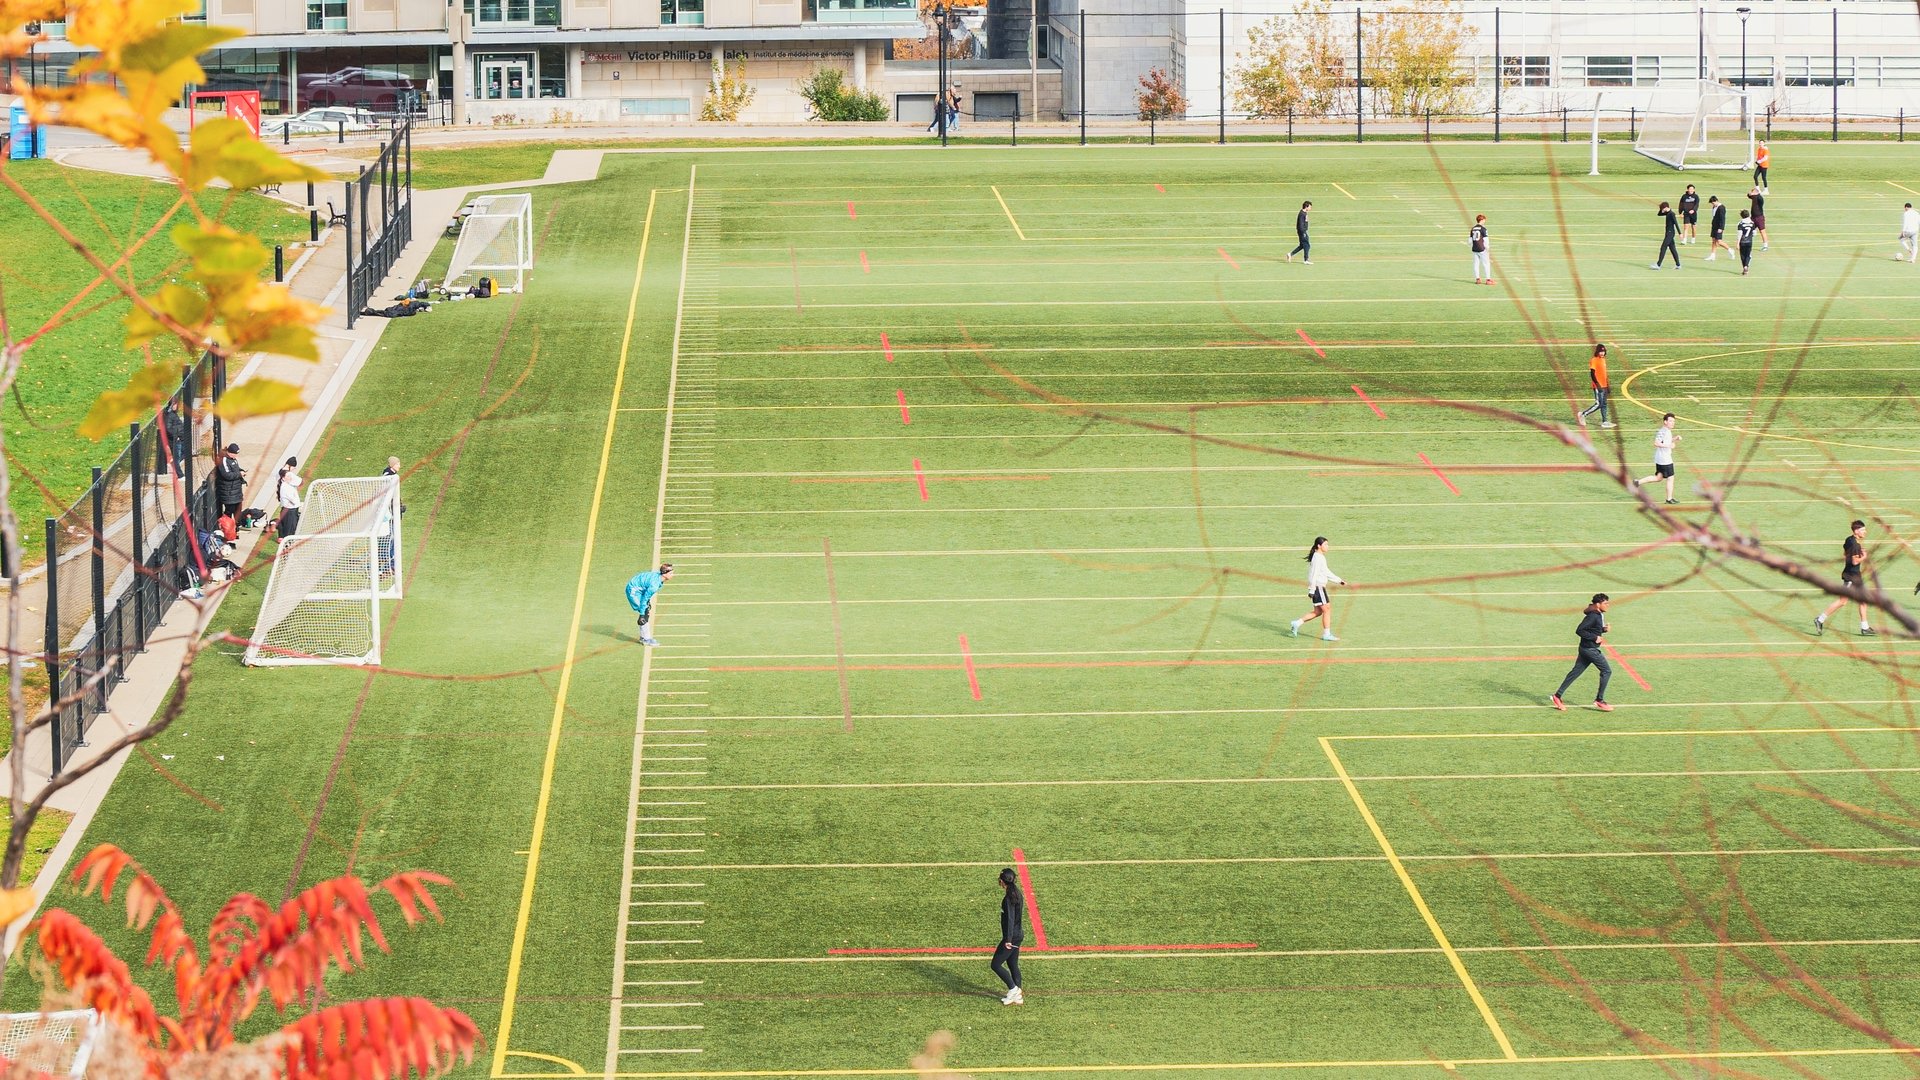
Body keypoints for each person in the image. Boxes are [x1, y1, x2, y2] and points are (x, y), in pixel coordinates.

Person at [1550, 593, 1615, 713]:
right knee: (1606, 671)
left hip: (1585, 649)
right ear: (1598, 604)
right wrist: (1595, 637)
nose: (1608, 605)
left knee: (1575, 673)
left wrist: (1603, 630)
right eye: (1605, 603)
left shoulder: (1597, 615)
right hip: (1590, 650)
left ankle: (1557, 696)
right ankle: (1599, 700)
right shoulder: (1593, 616)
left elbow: (1592, 628)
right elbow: (1580, 630)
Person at [1816, 521, 1874, 637]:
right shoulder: (1855, 545)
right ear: (1856, 531)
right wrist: (1864, 557)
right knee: (1842, 601)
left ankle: (1865, 627)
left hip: (1856, 576)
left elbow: (1845, 555)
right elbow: (1854, 561)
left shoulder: (1849, 540)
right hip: (1851, 577)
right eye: (1863, 530)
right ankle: (1820, 619)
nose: (1865, 532)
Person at [1289, 536, 1345, 642]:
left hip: (1318, 587)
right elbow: (1313, 574)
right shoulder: (1318, 557)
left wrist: (1338, 580)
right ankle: (1326, 634)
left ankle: (1296, 623)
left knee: (1318, 611)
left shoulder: (1319, 557)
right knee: (1327, 609)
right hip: (1318, 588)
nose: (1328, 547)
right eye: (1326, 545)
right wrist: (1312, 589)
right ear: (1319, 546)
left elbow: (1326, 572)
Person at [992, 868, 1025, 1006]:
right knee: (1012, 964)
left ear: (1002, 881)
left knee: (995, 964)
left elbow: (1010, 919)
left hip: (1012, 937)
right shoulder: (1017, 893)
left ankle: (1013, 989)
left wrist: (1008, 940)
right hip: (1018, 934)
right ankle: (1017, 997)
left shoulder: (1008, 898)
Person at [1633, 413, 1683, 504]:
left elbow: (1665, 441)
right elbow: (1656, 443)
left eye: (1674, 421)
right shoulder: (1663, 431)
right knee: (1670, 478)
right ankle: (1669, 499)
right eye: (1670, 421)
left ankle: (1638, 482)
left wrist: (1675, 439)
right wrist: (1669, 446)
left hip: (1661, 458)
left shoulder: (1667, 431)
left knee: (1658, 478)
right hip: (1665, 459)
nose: (1673, 423)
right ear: (1665, 422)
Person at [625, 562, 675, 646]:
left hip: (639, 589)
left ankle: (644, 637)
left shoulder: (658, 577)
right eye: (671, 573)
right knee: (644, 611)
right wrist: (641, 615)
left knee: (646, 610)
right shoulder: (654, 586)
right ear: (664, 574)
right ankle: (645, 639)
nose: (673, 575)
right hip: (633, 591)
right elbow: (645, 598)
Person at [1577, 343, 1613, 429]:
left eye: (1603, 351)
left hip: (1604, 385)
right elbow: (1592, 374)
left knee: (1604, 404)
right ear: (1597, 351)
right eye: (1600, 351)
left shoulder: (1603, 359)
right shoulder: (1594, 360)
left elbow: (1604, 373)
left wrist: (1607, 385)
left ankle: (1604, 421)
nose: (1602, 353)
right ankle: (1582, 415)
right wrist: (1597, 385)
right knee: (1598, 404)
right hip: (1598, 386)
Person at [214, 442, 246, 521]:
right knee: (229, 511)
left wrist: (241, 471)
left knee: (238, 510)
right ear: (230, 452)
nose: (236, 456)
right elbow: (227, 475)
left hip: (236, 491)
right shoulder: (223, 460)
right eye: (234, 454)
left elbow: (235, 469)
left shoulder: (233, 459)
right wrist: (239, 474)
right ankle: (225, 527)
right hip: (228, 491)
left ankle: (236, 528)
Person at [274, 457, 303, 540]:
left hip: (284, 503)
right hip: (290, 505)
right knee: (290, 525)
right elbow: (300, 482)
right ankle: (287, 541)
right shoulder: (288, 475)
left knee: (284, 521)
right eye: (294, 467)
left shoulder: (280, 473)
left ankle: (281, 537)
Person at [1651, 201, 1681, 270]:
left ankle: (1658, 265)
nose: (1662, 210)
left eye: (1663, 208)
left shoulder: (1671, 214)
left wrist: (1680, 233)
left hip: (1670, 233)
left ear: (1666, 207)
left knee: (1663, 247)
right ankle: (1678, 265)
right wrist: (1661, 209)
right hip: (1668, 233)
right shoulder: (1667, 213)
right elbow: (1659, 214)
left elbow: (1676, 223)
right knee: (1673, 249)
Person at [1704, 196, 1732, 262]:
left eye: (1713, 203)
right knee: (1713, 240)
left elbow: (1722, 219)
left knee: (1719, 241)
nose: (1713, 204)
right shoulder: (1714, 207)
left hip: (1719, 227)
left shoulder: (1721, 208)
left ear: (1716, 201)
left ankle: (1730, 249)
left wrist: (1721, 228)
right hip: (1714, 225)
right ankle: (1712, 255)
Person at [1470, 214, 1492, 285]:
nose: (1485, 221)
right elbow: (1486, 240)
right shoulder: (1483, 229)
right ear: (1481, 220)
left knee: (1476, 264)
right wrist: (1487, 248)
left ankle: (1478, 279)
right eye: (1484, 220)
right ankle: (1488, 280)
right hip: (1482, 249)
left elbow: (1469, 241)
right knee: (1486, 264)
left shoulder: (1473, 228)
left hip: (1474, 248)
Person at [1736, 209, 1758, 276]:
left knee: (1742, 255)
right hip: (1749, 241)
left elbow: (1739, 234)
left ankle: (1744, 267)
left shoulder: (1740, 223)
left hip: (1742, 242)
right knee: (1748, 255)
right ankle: (1746, 266)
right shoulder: (1752, 223)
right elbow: (1754, 233)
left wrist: (1737, 243)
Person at [1747, 186, 1769, 251]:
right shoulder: (1754, 197)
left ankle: (1765, 245)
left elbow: (1761, 201)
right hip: (1753, 217)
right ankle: (1747, 243)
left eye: (1753, 192)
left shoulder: (1759, 197)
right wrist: (1751, 192)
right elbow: (1748, 195)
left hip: (1759, 217)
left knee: (1762, 231)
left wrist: (1757, 193)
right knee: (1749, 229)